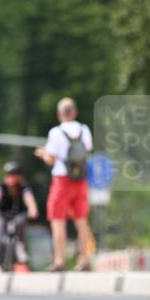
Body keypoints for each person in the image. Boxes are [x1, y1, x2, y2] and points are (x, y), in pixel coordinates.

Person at [35, 97, 93, 271]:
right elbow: (87, 150)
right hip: (80, 179)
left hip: (62, 179)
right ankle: (84, 259)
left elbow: (51, 159)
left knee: (58, 220)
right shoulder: (84, 130)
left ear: (59, 114)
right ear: (75, 112)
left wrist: (43, 154)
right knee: (81, 221)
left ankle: (59, 260)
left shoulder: (56, 132)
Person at [0, 162, 39, 269]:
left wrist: (33, 209)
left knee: (20, 223)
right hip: (2, 214)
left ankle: (20, 246)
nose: (12, 178)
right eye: (9, 175)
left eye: (15, 175)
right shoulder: (1, 186)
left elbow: (29, 199)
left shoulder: (23, 187)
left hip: (18, 214)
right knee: (0, 234)